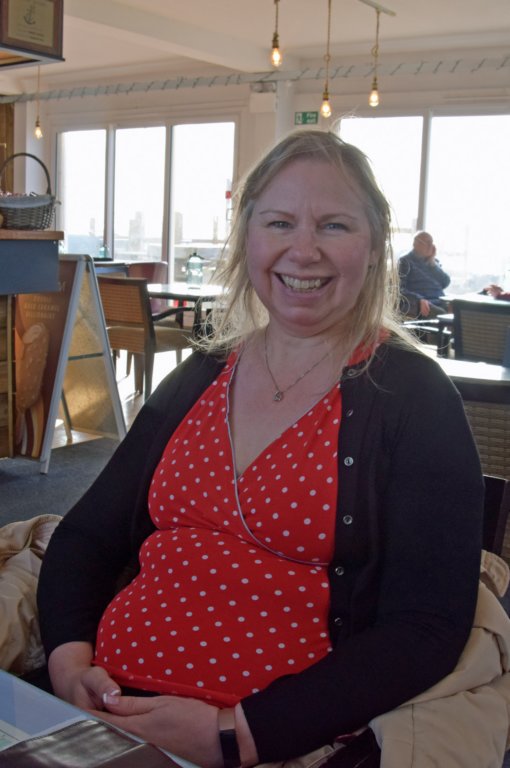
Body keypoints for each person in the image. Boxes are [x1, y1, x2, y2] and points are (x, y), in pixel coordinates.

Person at [37, 130, 485, 768]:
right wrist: (69, 662)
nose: (303, 250)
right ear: (247, 237)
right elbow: (87, 536)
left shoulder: (414, 397)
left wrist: (239, 733)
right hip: (100, 713)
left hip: (277, 743)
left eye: (333, 225)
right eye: (279, 223)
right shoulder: (201, 374)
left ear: (374, 247)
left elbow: (426, 626)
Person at [398, 231, 451, 318]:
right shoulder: (405, 261)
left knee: (462, 311)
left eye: (432, 243)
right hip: (424, 303)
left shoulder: (433, 263)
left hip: (440, 301)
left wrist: (432, 262)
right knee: (443, 315)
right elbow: (400, 289)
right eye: (428, 243)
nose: (431, 246)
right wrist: (419, 299)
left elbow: (446, 282)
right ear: (415, 244)